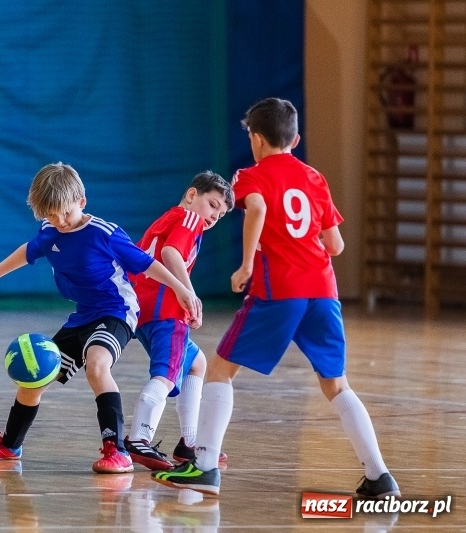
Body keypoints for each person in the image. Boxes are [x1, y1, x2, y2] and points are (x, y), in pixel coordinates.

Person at [152, 98, 400, 499]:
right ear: (296, 138)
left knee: (219, 370)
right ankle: (379, 476)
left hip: (280, 289)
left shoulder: (250, 175)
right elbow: (335, 245)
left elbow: (258, 208)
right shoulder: (315, 178)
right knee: (337, 384)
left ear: (255, 137)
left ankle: (205, 467)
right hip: (323, 291)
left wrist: (248, 263)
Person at [0, 162, 201, 474]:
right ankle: (10, 444)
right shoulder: (50, 232)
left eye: (64, 213)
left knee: (97, 363)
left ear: (81, 202)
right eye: (50, 215)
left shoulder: (105, 234)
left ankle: (117, 451)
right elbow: (28, 251)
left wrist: (181, 289)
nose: (59, 221)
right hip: (82, 316)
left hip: (117, 311)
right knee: (36, 377)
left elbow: (147, 264)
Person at [124, 171, 233, 470]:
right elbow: (171, 253)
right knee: (167, 374)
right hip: (164, 309)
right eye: (212, 205)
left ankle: (189, 443)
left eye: (220, 215)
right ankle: (138, 438)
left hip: (145, 308)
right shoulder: (189, 219)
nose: (213, 217)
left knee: (196, 363)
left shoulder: (169, 218)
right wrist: (188, 293)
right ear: (191, 195)